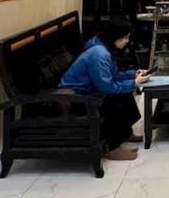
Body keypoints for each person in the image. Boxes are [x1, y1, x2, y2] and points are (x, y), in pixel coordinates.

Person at [61, 18, 150, 160]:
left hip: (89, 89)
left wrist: (133, 74)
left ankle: (126, 134)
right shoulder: (99, 54)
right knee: (112, 100)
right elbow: (106, 87)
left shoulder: (105, 47)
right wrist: (134, 83)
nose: (127, 41)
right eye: (124, 38)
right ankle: (112, 148)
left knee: (124, 91)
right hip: (75, 97)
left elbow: (112, 74)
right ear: (115, 37)